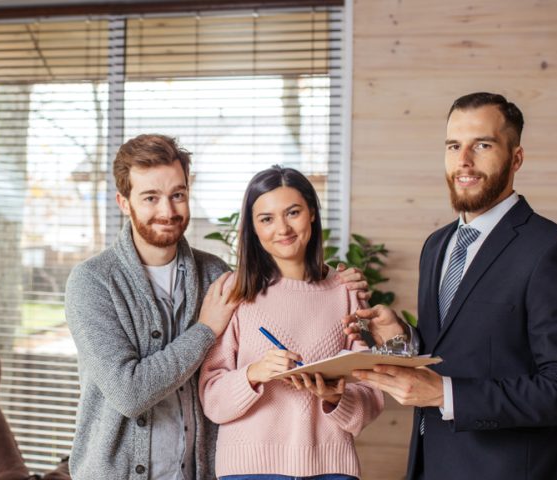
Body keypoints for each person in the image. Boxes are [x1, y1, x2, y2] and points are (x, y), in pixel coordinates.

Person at [65, 134, 370, 480]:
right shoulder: (93, 282)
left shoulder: (217, 276)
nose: (167, 210)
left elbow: (283, 287)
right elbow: (129, 393)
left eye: (177, 195)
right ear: (124, 202)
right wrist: (205, 330)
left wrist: (339, 281)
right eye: (150, 197)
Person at [345, 92, 557, 480]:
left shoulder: (555, 251)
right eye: (453, 146)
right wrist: (403, 340)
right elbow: (452, 349)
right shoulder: (436, 244)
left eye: (482, 145)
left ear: (516, 158)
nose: (463, 161)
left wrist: (445, 395)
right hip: (432, 465)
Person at [199, 165, 384, 480]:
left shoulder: (346, 290)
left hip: (331, 469)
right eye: (266, 219)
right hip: (249, 471)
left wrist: (335, 397)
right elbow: (212, 400)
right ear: (254, 228)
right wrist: (254, 374)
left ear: (311, 213)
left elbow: (373, 395)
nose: (282, 228)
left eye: (293, 212)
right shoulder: (234, 292)